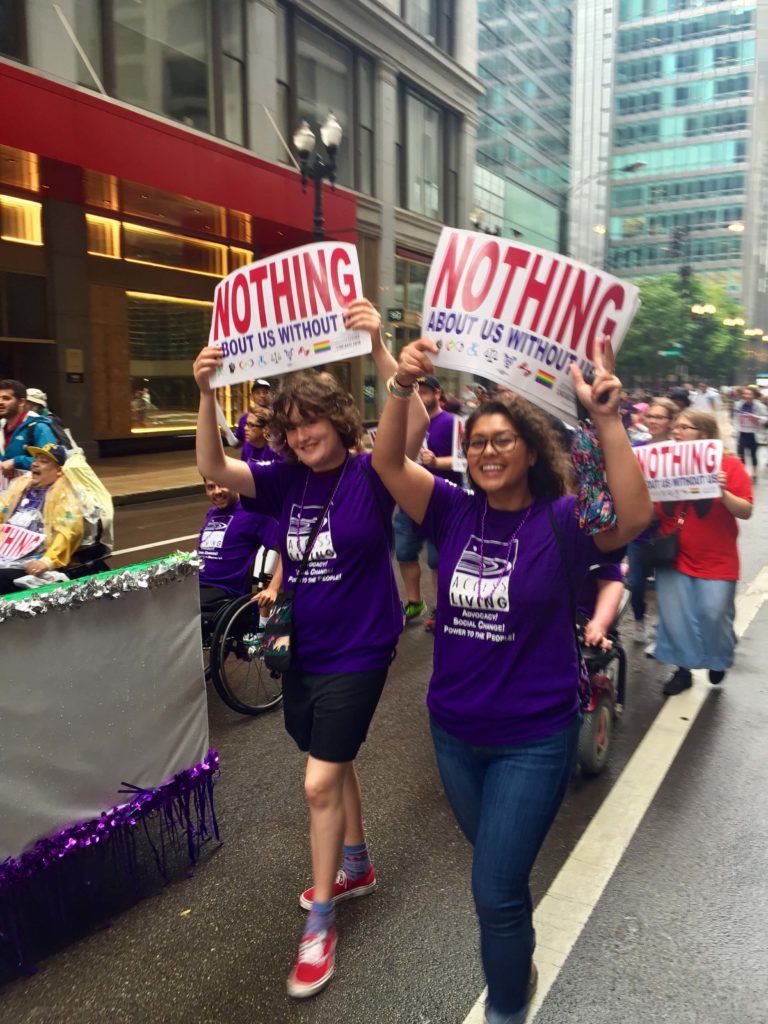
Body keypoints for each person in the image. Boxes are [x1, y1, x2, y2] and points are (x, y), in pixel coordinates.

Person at [372, 336, 651, 1024]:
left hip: (535, 738)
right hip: (454, 734)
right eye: (476, 444)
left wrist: (606, 418)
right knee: (502, 878)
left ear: (528, 450)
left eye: (501, 441)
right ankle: (514, 952)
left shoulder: (562, 523)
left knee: (494, 886)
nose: (487, 453)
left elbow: (634, 517)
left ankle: (505, 1006)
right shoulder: (450, 510)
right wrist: (401, 384)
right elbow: (385, 462)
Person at [193, 297, 428, 1000]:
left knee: (319, 781)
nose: (300, 438)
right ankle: (356, 861)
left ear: (340, 420)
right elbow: (214, 463)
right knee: (331, 754)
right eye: (290, 430)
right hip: (306, 648)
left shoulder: (371, 470)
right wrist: (203, 395)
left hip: (362, 646)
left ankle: (322, 921)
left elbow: (411, 424)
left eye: (311, 424)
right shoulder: (286, 479)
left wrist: (382, 349)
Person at [654, 410, 752, 695]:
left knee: (713, 614)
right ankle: (682, 670)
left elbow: (745, 510)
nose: (677, 430)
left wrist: (723, 492)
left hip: (717, 558)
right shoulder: (666, 465)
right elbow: (654, 512)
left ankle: (718, 656)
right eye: (677, 426)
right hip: (675, 556)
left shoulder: (730, 466)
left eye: (685, 426)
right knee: (675, 617)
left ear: (704, 434)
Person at [394, 373, 462, 630]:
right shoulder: (405, 421)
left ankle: (440, 607)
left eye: (425, 390)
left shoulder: (454, 423)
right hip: (408, 500)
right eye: (416, 390)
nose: (421, 394)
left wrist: (437, 462)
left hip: (441, 502)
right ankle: (414, 602)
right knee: (404, 553)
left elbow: (464, 460)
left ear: (437, 393)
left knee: (437, 559)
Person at [626, 396, 678, 643]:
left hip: (668, 529)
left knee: (666, 585)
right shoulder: (636, 448)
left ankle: (662, 629)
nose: (654, 421)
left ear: (670, 421)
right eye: (651, 416)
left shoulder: (680, 452)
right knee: (635, 582)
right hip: (639, 528)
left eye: (660, 417)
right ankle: (638, 620)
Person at [198, 478, 282, 630]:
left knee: (177, 614)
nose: (217, 491)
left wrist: (273, 588)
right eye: (211, 487)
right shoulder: (212, 514)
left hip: (223, 593)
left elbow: (287, 551)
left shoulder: (254, 512)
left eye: (221, 483)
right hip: (198, 586)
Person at [0, 443, 84, 593]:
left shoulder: (63, 494)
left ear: (59, 470)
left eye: (43, 461)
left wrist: (48, 561)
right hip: (5, 554)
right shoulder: (21, 487)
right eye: (35, 459)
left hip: (29, 562)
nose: (35, 464)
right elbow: (3, 509)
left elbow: (69, 531)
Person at [0, 379, 58, 477]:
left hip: (32, 489)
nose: (0, 402)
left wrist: (15, 461)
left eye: (6, 398)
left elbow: (50, 461)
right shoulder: (1, 426)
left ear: (21, 402)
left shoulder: (39, 427)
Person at [733, 385, 766, 482]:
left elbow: (765, 418)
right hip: (742, 432)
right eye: (744, 394)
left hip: (754, 434)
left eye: (749, 394)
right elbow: (734, 417)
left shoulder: (760, 406)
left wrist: (757, 418)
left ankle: (754, 474)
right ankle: (743, 473)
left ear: (753, 395)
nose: (746, 396)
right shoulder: (738, 404)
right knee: (741, 455)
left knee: (753, 455)